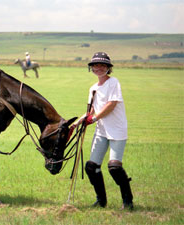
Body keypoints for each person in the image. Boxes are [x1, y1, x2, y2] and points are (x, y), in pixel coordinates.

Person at [75, 52, 134, 210]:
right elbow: (91, 110)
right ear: (91, 68)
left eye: (103, 65)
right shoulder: (93, 88)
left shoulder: (113, 82)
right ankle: (101, 201)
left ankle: (128, 201)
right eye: (96, 65)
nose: (99, 68)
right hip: (101, 132)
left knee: (114, 167)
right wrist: (77, 123)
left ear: (108, 68)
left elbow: (111, 104)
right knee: (91, 167)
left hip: (117, 130)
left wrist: (93, 119)